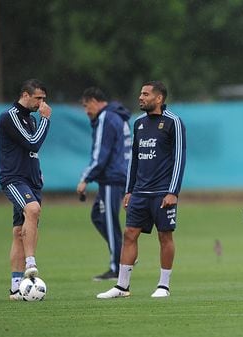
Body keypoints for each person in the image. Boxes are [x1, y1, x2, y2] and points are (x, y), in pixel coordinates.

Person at [97, 81, 186, 299]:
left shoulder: (173, 122)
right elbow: (134, 160)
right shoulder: (138, 123)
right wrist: (129, 190)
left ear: (159, 98)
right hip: (140, 193)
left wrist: (173, 191)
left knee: (164, 236)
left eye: (145, 94)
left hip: (163, 192)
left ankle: (163, 285)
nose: (141, 97)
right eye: (140, 94)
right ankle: (122, 286)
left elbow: (179, 159)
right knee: (129, 234)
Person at [0, 79, 52, 300]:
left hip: (31, 180)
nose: (41, 103)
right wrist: (45, 120)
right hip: (14, 179)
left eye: (44, 100)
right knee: (33, 209)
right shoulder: (10, 116)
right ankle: (31, 263)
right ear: (25, 95)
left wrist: (37, 171)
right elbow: (33, 143)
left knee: (18, 233)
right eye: (38, 98)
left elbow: (30, 152)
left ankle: (16, 288)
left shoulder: (29, 119)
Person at [77, 87, 132, 281]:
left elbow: (101, 153)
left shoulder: (105, 118)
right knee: (98, 216)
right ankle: (124, 255)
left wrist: (85, 178)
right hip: (118, 175)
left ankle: (117, 266)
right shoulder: (117, 116)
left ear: (94, 100)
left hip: (112, 178)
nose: (86, 111)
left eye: (86, 106)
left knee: (109, 221)